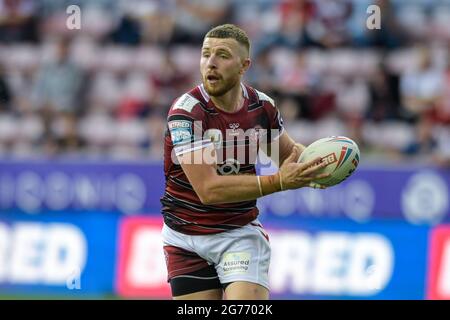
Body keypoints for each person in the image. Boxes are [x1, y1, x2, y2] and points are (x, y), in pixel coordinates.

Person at [161, 24, 329, 300]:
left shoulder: (262, 107)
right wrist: (280, 181)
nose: (211, 63)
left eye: (223, 55)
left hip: (238, 234)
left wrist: (317, 164)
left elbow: (288, 156)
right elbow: (209, 190)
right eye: (206, 54)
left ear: (244, 66)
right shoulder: (187, 113)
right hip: (184, 238)